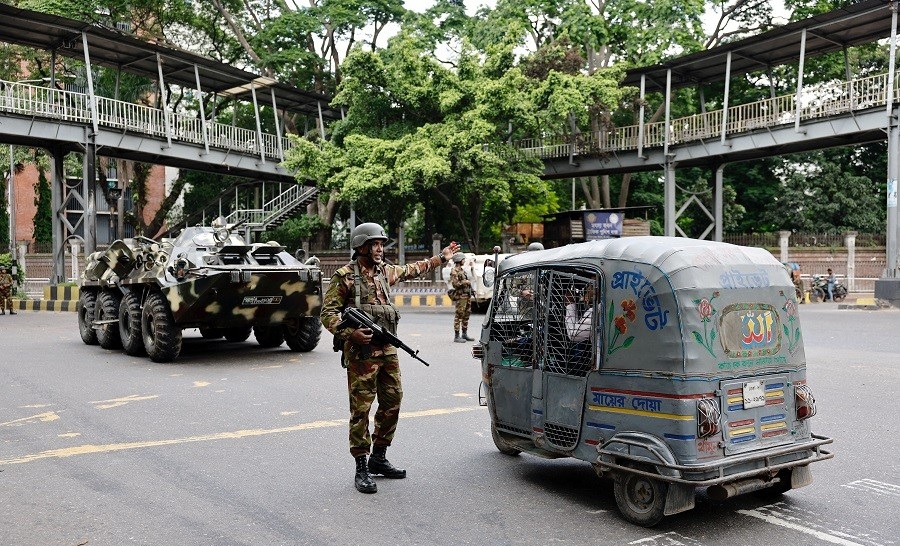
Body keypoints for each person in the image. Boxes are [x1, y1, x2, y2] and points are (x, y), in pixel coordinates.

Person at [320, 222, 459, 494]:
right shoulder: (345, 276)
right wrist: (350, 333)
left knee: (393, 400)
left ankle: (379, 458)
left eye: (382, 244)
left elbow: (412, 269)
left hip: (387, 350)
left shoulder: (385, 272)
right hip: (361, 353)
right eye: (375, 244)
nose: (380, 248)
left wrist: (441, 258)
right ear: (361, 247)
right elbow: (327, 314)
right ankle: (361, 466)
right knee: (361, 409)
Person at [450, 253, 474, 343]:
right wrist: (465, 282)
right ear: (459, 260)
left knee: (466, 315)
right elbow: (455, 284)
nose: (464, 261)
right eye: (463, 259)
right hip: (461, 297)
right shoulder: (454, 271)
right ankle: (457, 336)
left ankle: (464, 334)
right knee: (459, 315)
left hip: (466, 295)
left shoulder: (462, 270)